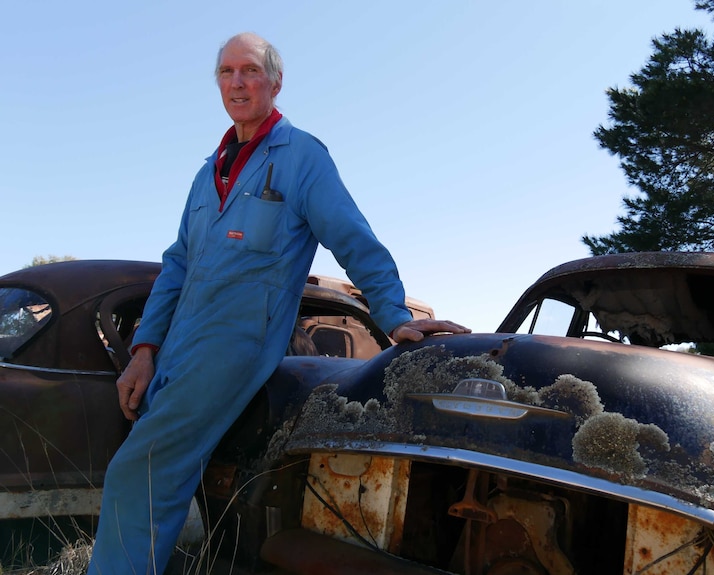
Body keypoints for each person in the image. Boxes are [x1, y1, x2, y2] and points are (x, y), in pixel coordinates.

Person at [87, 32, 469, 574]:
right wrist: (145, 348)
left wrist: (393, 316)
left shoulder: (302, 157)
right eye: (227, 72)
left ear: (275, 81)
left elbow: (352, 237)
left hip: (234, 347)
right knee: (162, 477)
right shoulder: (208, 172)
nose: (237, 83)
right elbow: (177, 264)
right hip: (176, 350)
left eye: (250, 71)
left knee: (141, 470)